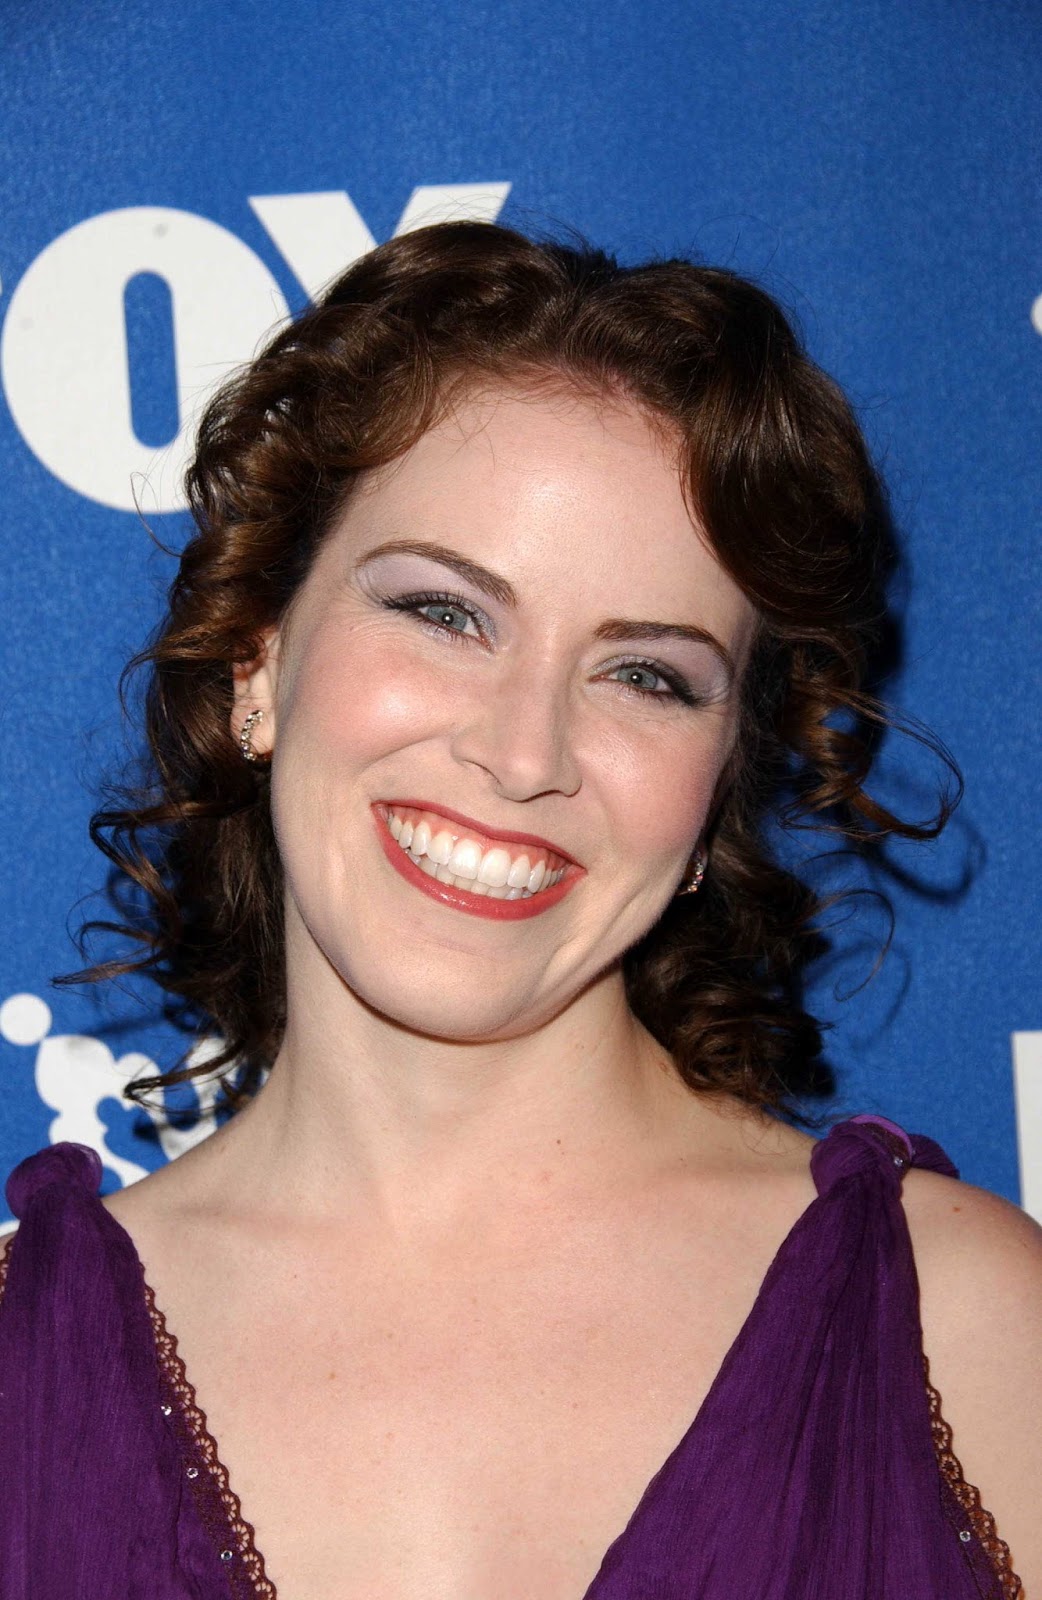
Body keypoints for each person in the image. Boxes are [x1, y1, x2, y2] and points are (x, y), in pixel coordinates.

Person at [0, 221, 1038, 1599]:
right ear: (258, 656)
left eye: (647, 677)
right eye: (444, 613)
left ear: (717, 789)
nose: (524, 751)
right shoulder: (17, 1361)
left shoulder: (967, 1333)